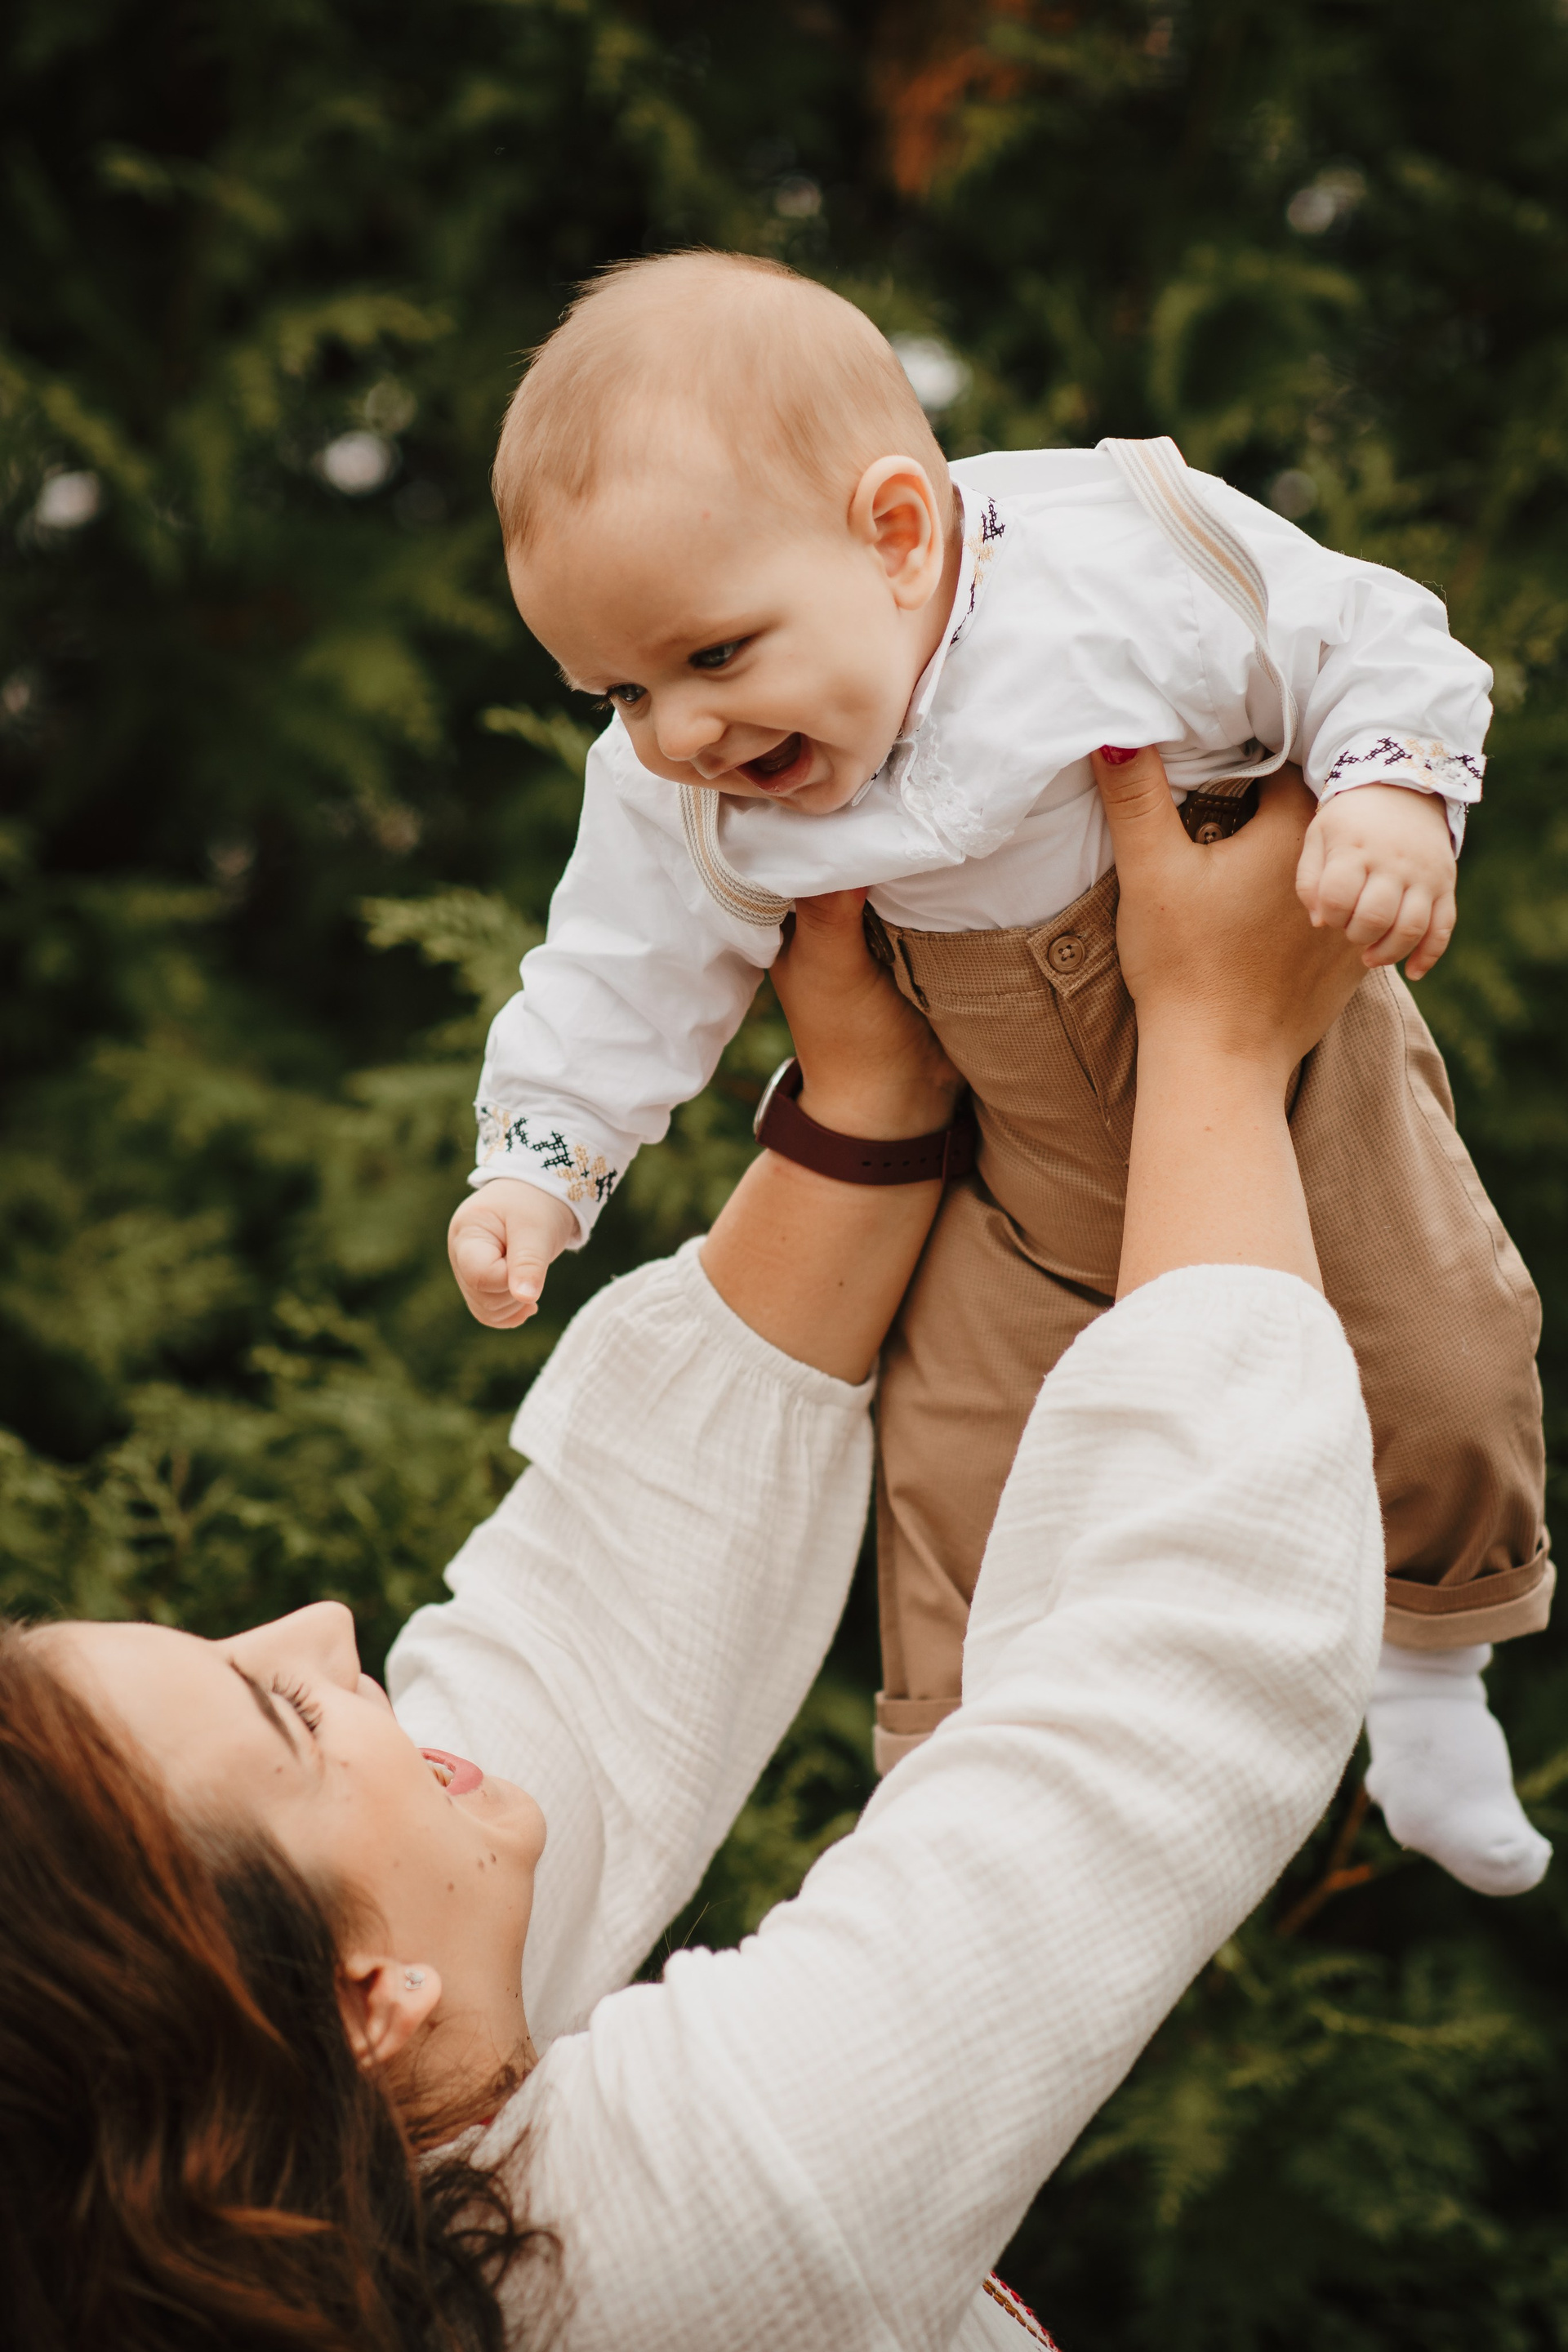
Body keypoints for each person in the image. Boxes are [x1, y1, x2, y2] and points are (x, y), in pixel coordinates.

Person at [2, 750, 1385, 2351]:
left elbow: (599, 1632)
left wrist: (866, 1110)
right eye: (290, 1714)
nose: (323, 1626)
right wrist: (1216, 1038)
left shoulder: (335, 2162)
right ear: (363, 2005)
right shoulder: (645, 2286)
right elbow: (1181, 1673)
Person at [445, 251, 1551, 1900]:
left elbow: (1362, 634)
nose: (677, 733)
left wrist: (1390, 796)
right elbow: (615, 967)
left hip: (1302, 1073)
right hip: (1015, 1152)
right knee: (962, 1463)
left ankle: (1430, 1671)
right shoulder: (684, 782)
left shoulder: (1114, 568)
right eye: (619, 691)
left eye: (715, 657)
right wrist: (538, 1165)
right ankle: (953, 1790)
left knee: (1440, 1350)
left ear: (897, 536)